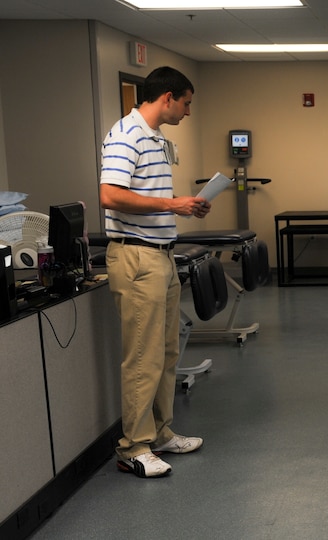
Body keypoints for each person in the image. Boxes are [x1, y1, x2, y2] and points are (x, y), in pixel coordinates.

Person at [100, 66, 210, 478]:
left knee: (165, 353)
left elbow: (145, 194)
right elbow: (110, 195)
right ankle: (133, 447)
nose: (187, 111)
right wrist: (171, 206)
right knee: (142, 358)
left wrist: (185, 205)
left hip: (161, 254)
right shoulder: (127, 135)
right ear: (167, 97)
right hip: (137, 258)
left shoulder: (156, 137)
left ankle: (160, 434)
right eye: (185, 103)